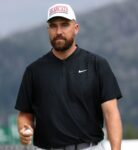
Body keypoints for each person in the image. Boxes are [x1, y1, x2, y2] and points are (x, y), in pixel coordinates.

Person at [15, 3, 123, 150]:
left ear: (76, 28)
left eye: (64, 25)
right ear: (48, 30)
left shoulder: (97, 64)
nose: (58, 31)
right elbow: (25, 113)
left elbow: (111, 114)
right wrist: (24, 128)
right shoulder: (34, 71)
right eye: (53, 26)